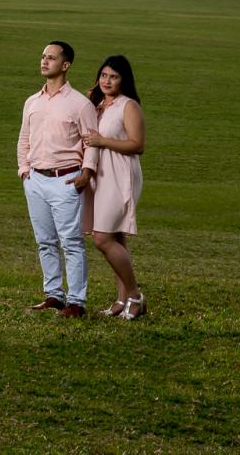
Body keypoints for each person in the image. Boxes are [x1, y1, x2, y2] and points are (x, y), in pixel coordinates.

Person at [17, 41, 100, 318]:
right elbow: (24, 139)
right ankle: (54, 295)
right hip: (36, 179)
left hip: (66, 180)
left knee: (71, 242)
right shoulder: (32, 101)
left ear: (65, 65)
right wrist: (24, 170)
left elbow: (92, 143)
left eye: (51, 58)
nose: (44, 61)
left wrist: (85, 174)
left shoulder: (80, 104)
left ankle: (77, 301)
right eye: (42, 56)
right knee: (44, 241)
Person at [81, 54, 147, 319]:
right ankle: (122, 301)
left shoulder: (128, 106)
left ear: (124, 80)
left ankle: (135, 295)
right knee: (117, 238)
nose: (107, 81)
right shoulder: (97, 104)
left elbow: (137, 145)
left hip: (120, 174)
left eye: (114, 77)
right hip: (101, 173)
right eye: (104, 75)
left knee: (102, 237)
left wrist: (103, 141)